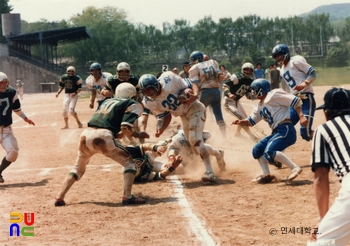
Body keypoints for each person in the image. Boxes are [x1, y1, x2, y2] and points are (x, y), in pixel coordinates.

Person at [54, 83, 150, 206]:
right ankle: (127, 197)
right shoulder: (132, 104)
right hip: (103, 136)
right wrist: (137, 135)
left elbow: (106, 121)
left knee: (78, 168)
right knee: (130, 164)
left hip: (85, 135)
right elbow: (125, 127)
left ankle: (59, 197)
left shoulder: (107, 101)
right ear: (132, 94)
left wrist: (117, 133)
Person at [138, 72, 218, 182]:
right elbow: (166, 117)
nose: (149, 93)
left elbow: (192, 83)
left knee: (195, 140)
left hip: (195, 108)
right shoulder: (149, 102)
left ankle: (210, 172)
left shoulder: (169, 79)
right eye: (145, 91)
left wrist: (194, 95)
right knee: (195, 148)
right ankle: (218, 153)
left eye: (150, 89)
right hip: (183, 116)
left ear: (156, 84)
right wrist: (161, 129)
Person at [232, 78, 307, 184]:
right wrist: (240, 122)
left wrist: (301, 116)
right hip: (276, 132)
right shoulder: (258, 106)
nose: (252, 92)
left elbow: (295, 100)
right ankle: (266, 174)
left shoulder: (274, 95)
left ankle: (294, 168)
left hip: (285, 129)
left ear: (261, 89)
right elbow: (251, 121)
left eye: (254, 89)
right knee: (257, 150)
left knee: (270, 151)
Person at [307, 88, 350, 246]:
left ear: (326, 113)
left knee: (321, 242)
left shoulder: (323, 130)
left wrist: (323, 220)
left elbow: (320, 177)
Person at [272, 44, 316, 141]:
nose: (278, 58)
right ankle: (276, 150)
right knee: (285, 126)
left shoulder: (295, 61)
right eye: (276, 56)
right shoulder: (282, 70)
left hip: (306, 97)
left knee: (305, 133)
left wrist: (303, 85)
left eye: (279, 55)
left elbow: (313, 73)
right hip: (295, 101)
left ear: (285, 53)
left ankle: (327, 136)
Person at [0, 72, 35, 183]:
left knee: (13, 153)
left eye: (5, 82)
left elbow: (17, 109)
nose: (4, 84)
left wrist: (25, 118)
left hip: (6, 130)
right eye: (2, 83)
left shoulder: (11, 93)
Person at [188, 51, 226, 137]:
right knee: (218, 115)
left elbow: (195, 84)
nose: (193, 62)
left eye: (193, 60)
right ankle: (225, 137)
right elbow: (221, 77)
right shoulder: (213, 62)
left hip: (205, 92)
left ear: (196, 59)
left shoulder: (194, 68)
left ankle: (198, 135)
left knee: (198, 113)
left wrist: (195, 94)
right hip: (216, 91)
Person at [223, 62, 258, 141]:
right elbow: (225, 86)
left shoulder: (250, 82)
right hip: (228, 102)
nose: (248, 72)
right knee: (241, 117)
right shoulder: (237, 77)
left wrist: (255, 96)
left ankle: (237, 134)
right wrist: (229, 94)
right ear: (243, 70)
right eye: (247, 70)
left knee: (244, 118)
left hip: (236, 102)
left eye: (250, 70)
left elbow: (248, 95)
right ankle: (251, 136)